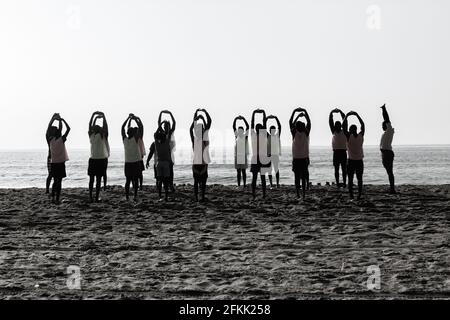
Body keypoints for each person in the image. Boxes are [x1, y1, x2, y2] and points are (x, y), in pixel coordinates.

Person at [46, 113, 70, 205]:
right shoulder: (61, 139)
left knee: (55, 181)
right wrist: (61, 120)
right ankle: (57, 198)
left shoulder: (50, 140)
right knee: (59, 182)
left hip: (54, 163)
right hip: (60, 163)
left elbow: (49, 128)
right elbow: (68, 129)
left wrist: (53, 119)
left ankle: (53, 197)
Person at [190, 108, 212, 202]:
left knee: (203, 183)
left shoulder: (205, 139)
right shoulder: (194, 139)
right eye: (199, 129)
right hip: (196, 164)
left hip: (203, 164)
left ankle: (201, 197)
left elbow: (209, 122)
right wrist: (196, 117)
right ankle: (196, 197)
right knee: (196, 182)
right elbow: (191, 129)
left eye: (202, 129)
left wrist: (204, 114)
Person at [343, 111, 365, 200]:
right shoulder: (360, 136)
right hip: (359, 160)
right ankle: (359, 195)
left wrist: (346, 116)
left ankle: (351, 195)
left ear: (351, 130)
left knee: (350, 179)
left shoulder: (349, 137)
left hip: (351, 161)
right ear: (356, 129)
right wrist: (357, 115)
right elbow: (363, 125)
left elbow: (343, 126)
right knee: (359, 179)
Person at [87, 111, 109, 202]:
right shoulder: (94, 135)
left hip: (95, 159)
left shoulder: (99, 135)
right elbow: (91, 125)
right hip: (97, 160)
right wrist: (100, 116)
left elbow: (104, 127)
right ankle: (94, 197)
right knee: (95, 180)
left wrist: (96, 116)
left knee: (94, 180)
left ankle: (93, 197)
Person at [290, 107, 311, 200]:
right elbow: (292, 122)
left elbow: (292, 122)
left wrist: (296, 113)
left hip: (301, 158)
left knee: (299, 177)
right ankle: (300, 194)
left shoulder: (303, 133)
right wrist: (303, 112)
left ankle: (301, 194)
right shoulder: (298, 132)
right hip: (300, 158)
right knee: (298, 177)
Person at [250, 109, 270, 199]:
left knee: (259, 177)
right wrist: (261, 113)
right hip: (257, 158)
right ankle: (260, 194)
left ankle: (262, 194)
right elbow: (253, 123)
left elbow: (262, 122)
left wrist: (255, 113)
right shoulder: (254, 134)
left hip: (259, 158)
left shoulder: (261, 134)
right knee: (258, 177)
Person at [122, 114, 142, 201]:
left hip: (127, 163)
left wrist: (128, 118)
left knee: (128, 181)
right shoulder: (135, 138)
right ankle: (135, 195)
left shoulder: (125, 140)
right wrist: (135, 119)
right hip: (135, 162)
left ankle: (127, 197)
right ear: (133, 133)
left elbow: (122, 128)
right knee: (136, 180)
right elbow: (141, 127)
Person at [158, 110, 176, 192]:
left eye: (167, 126)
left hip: (170, 154)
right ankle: (166, 186)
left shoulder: (170, 132)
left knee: (171, 171)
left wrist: (171, 114)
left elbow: (174, 123)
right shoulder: (162, 134)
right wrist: (161, 113)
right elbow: (158, 123)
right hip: (163, 154)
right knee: (165, 172)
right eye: (165, 126)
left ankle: (171, 185)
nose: (166, 127)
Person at [380, 104, 396, 194]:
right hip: (385, 153)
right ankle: (391, 188)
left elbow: (387, 119)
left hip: (387, 153)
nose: (382, 127)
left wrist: (384, 110)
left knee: (390, 171)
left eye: (383, 125)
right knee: (389, 171)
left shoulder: (389, 130)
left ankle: (392, 189)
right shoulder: (386, 133)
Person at [329, 108, 347, 188]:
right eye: (336, 125)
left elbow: (345, 121)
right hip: (336, 152)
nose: (337, 126)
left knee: (344, 169)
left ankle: (344, 183)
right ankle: (337, 183)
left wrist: (341, 112)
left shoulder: (344, 131)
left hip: (343, 152)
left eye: (339, 125)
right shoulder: (334, 131)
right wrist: (331, 112)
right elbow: (330, 122)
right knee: (336, 169)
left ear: (341, 126)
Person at [154, 126, 172, 201]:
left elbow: (155, 135)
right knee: (166, 181)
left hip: (159, 163)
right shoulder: (167, 142)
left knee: (160, 180)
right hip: (166, 163)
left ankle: (160, 195)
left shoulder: (157, 144)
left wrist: (159, 126)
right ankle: (166, 196)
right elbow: (169, 133)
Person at [128, 115, 146, 190]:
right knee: (135, 173)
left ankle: (140, 185)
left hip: (139, 157)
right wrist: (131, 119)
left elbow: (141, 126)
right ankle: (135, 185)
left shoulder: (139, 137)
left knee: (139, 173)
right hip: (135, 157)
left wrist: (136, 119)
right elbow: (128, 128)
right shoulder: (132, 138)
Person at [233, 115, 249, 188]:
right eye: (238, 130)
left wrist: (243, 118)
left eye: (241, 130)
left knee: (243, 172)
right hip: (237, 156)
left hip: (243, 156)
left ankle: (245, 184)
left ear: (243, 131)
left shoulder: (245, 136)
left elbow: (247, 127)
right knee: (238, 172)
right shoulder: (237, 136)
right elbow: (233, 126)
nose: (239, 131)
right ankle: (239, 185)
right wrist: (236, 119)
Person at [266, 115, 281, 188]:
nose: (273, 131)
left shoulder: (277, 135)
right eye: (271, 130)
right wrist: (266, 119)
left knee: (276, 169)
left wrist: (276, 118)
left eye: (274, 130)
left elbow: (280, 126)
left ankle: (277, 184)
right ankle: (271, 184)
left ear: (275, 130)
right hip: (269, 155)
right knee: (269, 170)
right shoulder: (268, 136)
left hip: (275, 155)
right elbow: (264, 126)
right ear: (270, 131)